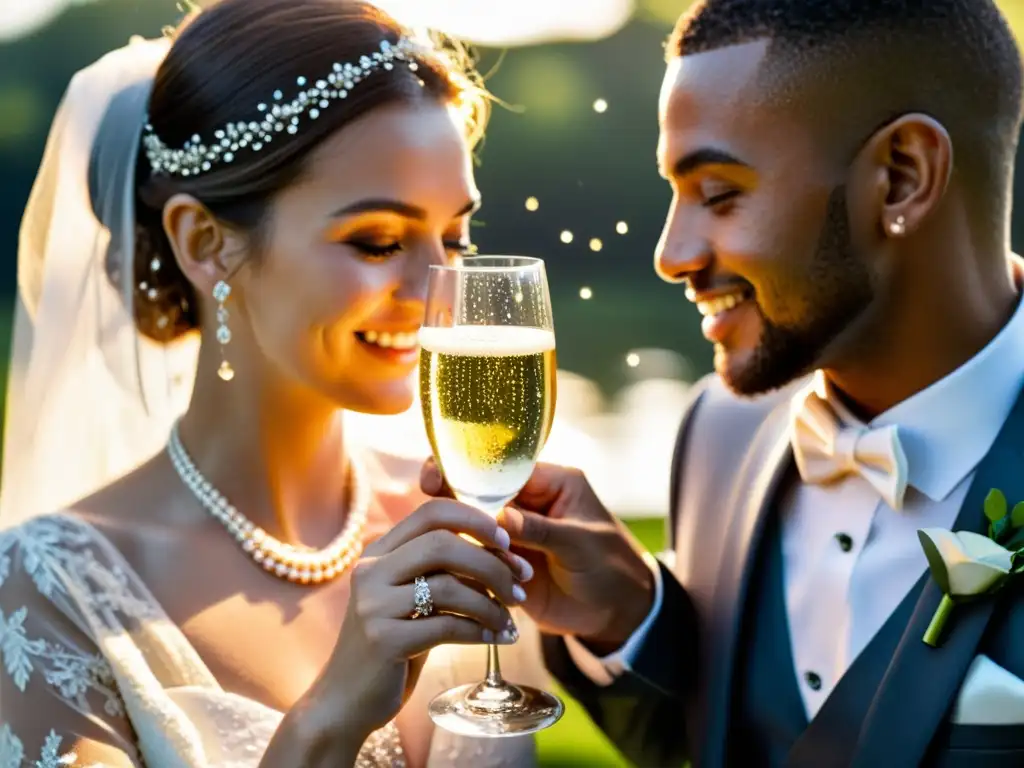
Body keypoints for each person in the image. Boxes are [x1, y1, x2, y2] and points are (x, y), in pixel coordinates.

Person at [422, 0, 1024, 765]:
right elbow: (710, 744)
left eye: (718, 193)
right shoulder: (719, 433)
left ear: (902, 177)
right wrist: (630, 623)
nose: (671, 254)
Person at [0, 1, 547, 765]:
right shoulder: (48, 595)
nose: (438, 291)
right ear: (204, 242)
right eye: (379, 241)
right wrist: (331, 715)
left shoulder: (458, 529)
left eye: (453, 236)